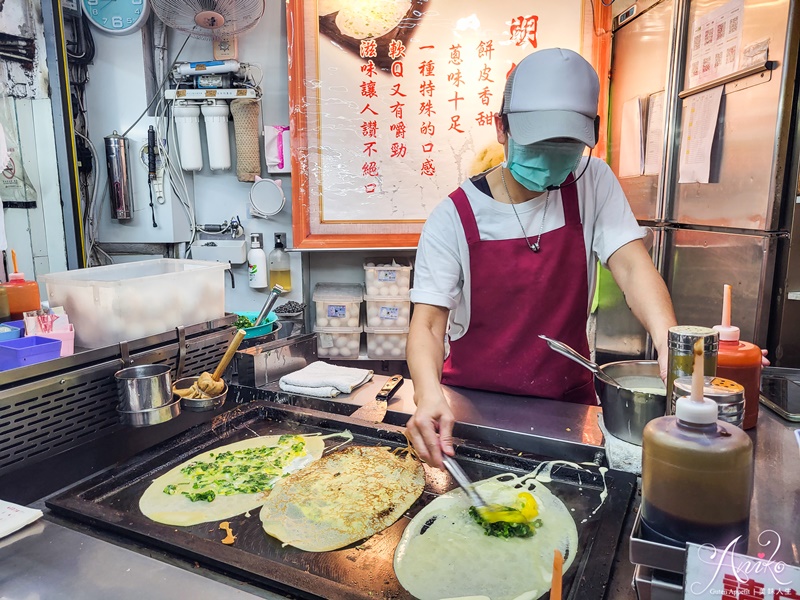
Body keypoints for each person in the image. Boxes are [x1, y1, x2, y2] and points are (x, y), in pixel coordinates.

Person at [405, 48, 678, 468]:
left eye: (566, 143)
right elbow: (426, 323)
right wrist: (427, 396)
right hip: (475, 411)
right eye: (538, 141)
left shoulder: (593, 182)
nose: (553, 154)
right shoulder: (453, 218)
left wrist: (668, 340)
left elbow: (631, 264)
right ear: (502, 128)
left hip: (568, 410)